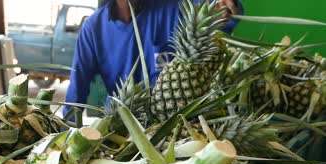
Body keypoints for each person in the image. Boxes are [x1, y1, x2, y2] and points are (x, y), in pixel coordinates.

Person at [64, 0, 241, 116]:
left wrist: (223, 7)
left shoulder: (172, 8)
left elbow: (212, 11)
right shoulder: (93, 28)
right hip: (121, 122)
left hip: (173, 119)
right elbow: (77, 89)